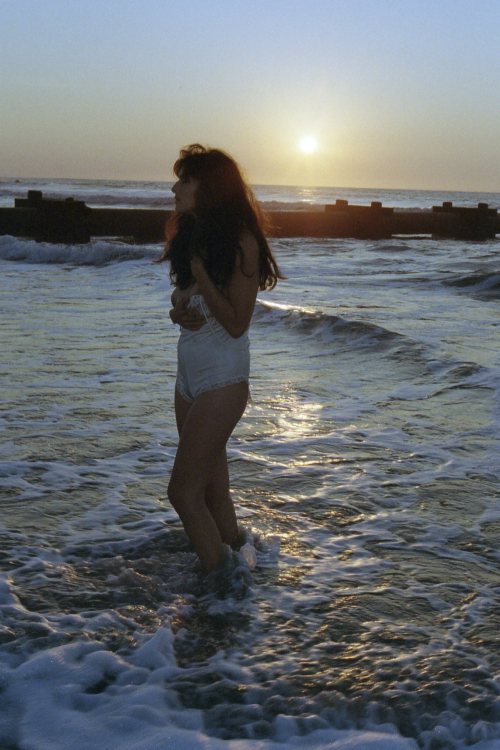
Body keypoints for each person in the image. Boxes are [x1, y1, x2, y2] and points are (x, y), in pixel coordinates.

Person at [159, 144, 282, 573]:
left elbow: (236, 323)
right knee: (211, 492)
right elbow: (192, 301)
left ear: (208, 187)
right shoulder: (196, 236)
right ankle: (242, 563)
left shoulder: (241, 243)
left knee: (182, 493)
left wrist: (201, 272)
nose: (175, 188)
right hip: (188, 378)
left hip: (222, 383)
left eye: (185, 180)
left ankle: (219, 593)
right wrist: (179, 308)